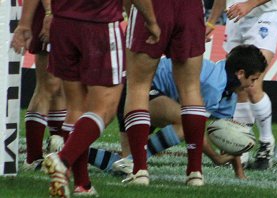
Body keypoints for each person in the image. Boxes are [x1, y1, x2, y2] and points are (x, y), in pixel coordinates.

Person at [89, 44, 268, 179]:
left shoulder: (229, 94)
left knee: (123, 169)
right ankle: (133, 159)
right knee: (187, 124)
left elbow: (229, 133)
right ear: (240, 73)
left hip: (153, 95)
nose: (252, 85)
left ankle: (72, 151)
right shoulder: (214, 86)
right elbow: (195, 129)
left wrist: (239, 173)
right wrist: (214, 157)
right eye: (253, 79)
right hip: (138, 89)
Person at [39, 0, 159, 197]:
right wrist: (151, 21)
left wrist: (48, 12)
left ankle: (82, 184)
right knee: (104, 109)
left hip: (62, 24)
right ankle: (63, 160)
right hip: (99, 24)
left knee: (76, 108)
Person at [124, 0, 207, 186]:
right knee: (191, 88)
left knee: (138, 87)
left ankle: (139, 171)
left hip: (153, 6)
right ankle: (195, 172)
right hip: (190, 7)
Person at [206, 0, 277, 170]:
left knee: (252, 83)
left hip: (265, 16)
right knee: (238, 85)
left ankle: (266, 142)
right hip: (235, 17)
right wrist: (211, 21)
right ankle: (242, 146)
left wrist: (249, 4)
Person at [11, 0, 66, 170]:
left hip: (71, 15)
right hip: (51, 14)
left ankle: (58, 155)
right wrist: (49, 11)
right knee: (48, 84)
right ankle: (33, 158)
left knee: (61, 88)